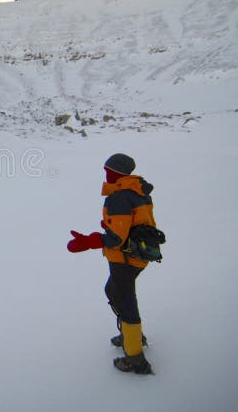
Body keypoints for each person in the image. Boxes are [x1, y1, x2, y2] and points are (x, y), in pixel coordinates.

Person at [67, 153, 155, 374]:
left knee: (125, 301)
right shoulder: (138, 190)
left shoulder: (120, 197)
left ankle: (135, 358)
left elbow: (117, 238)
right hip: (139, 255)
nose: (106, 173)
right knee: (113, 291)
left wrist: (89, 241)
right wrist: (112, 224)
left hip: (125, 257)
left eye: (109, 170)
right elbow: (134, 222)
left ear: (117, 173)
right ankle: (131, 335)